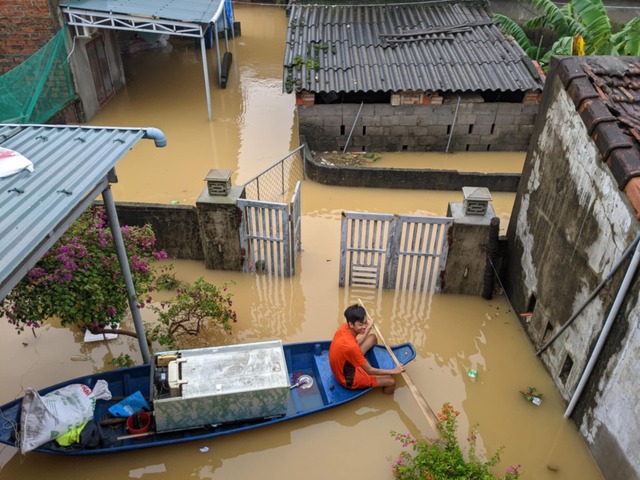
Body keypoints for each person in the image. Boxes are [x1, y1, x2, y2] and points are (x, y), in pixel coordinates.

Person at [329, 304, 405, 394]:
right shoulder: (351, 347)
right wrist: (394, 371)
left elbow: (355, 342)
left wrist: (368, 328)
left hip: (343, 364)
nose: (364, 326)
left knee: (372, 337)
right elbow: (370, 370)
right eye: (361, 324)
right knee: (391, 381)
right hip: (348, 379)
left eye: (365, 322)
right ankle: (386, 397)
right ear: (351, 324)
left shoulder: (344, 327)